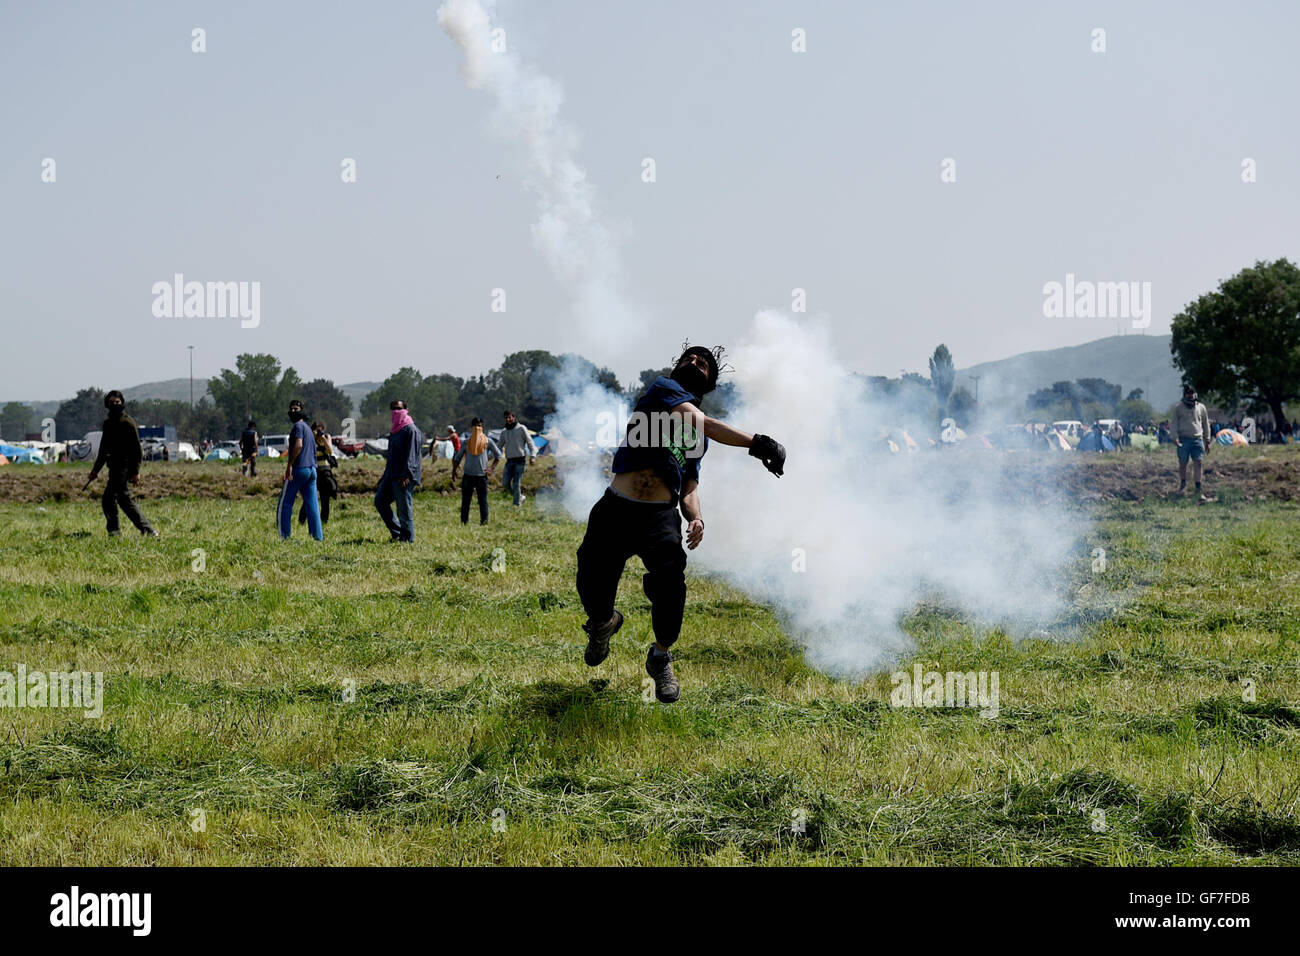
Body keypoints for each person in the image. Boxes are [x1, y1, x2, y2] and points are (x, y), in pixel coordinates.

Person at [575, 345, 785, 703]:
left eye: (702, 363)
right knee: (591, 580)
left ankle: (660, 657)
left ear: (710, 381)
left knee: (671, 588)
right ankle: (603, 623)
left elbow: (689, 485)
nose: (693, 362)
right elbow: (697, 419)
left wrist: (696, 516)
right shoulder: (663, 391)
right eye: (689, 358)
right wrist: (757, 443)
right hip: (616, 508)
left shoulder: (699, 437)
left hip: (660, 516)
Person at [88, 390, 158, 537]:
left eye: (117, 402)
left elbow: (136, 450)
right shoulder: (108, 424)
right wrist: (96, 470)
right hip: (113, 467)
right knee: (122, 500)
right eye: (112, 403)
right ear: (107, 405)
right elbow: (103, 449)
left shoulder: (128, 423)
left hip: (124, 467)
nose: (115, 405)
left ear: (122, 403)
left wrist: (135, 471)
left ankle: (117, 531)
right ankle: (146, 530)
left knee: (110, 499)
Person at [374, 400, 424, 543]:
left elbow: (412, 456)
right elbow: (391, 456)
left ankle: (407, 539)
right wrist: (384, 475)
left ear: (406, 409)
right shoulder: (395, 431)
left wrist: (406, 474)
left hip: (403, 477)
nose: (396, 411)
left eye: (399, 408)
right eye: (393, 409)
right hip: (390, 475)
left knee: (404, 509)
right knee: (380, 501)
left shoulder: (411, 430)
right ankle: (398, 532)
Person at [278, 400, 323, 540]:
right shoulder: (308, 428)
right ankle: (317, 537)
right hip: (312, 470)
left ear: (302, 410)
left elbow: (298, 444)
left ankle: (284, 537)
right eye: (291, 409)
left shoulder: (297, 426)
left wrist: (290, 464)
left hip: (299, 469)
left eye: (296, 409)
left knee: (285, 504)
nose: (293, 411)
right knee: (312, 505)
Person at [451, 418, 500, 525]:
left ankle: (484, 522)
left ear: (482, 427)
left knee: (482, 501)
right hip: (468, 475)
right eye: (476, 425)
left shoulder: (488, 442)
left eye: (480, 425)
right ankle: (464, 522)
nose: (478, 428)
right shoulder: (466, 442)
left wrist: (491, 468)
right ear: (472, 427)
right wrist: (454, 471)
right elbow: (457, 458)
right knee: (466, 501)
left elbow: (498, 455)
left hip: (482, 476)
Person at [1172, 384, 1212, 502]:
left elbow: (1206, 424)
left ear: (1195, 394)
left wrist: (1207, 440)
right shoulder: (1178, 408)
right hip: (1183, 439)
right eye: (1188, 393)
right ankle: (1183, 485)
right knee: (1183, 463)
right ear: (1184, 394)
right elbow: (1174, 424)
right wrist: (1174, 437)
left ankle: (1198, 488)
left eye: (1191, 393)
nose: (1190, 395)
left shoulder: (1201, 407)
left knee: (1198, 463)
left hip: (1197, 439)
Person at [299, 422, 339, 527]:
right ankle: (301, 521)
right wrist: (313, 437)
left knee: (325, 499)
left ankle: (324, 522)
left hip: (325, 471)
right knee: (309, 497)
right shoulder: (309, 439)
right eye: (316, 430)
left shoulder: (326, 437)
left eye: (321, 429)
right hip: (314, 470)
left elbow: (330, 451)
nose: (319, 432)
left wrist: (323, 439)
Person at [499, 409, 537, 506]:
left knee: (516, 483)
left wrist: (533, 456)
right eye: (506, 418)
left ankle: (516, 505)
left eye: (510, 417)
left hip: (520, 461)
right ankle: (520, 497)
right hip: (509, 461)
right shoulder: (504, 432)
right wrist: (488, 457)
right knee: (505, 483)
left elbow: (530, 442)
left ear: (514, 417)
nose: (508, 419)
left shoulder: (521, 428)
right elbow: (498, 446)